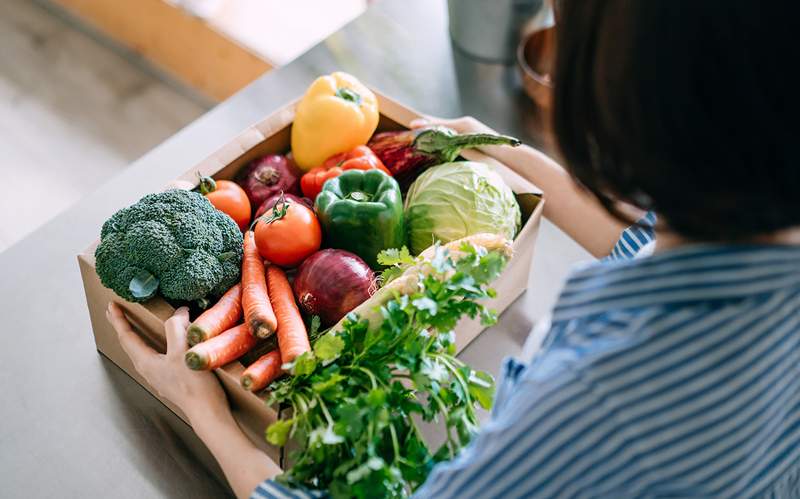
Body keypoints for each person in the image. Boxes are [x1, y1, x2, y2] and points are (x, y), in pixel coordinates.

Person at [106, 0, 800, 497]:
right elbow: (652, 237)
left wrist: (204, 411)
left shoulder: (598, 404)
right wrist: (502, 149)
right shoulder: (761, 226)